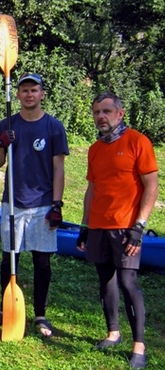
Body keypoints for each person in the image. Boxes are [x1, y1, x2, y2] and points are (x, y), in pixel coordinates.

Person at [77, 92, 158, 369]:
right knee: (106, 282)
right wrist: (85, 226)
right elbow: (92, 188)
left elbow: (151, 185)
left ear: (120, 114)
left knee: (127, 282)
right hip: (99, 225)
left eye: (107, 111)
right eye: (97, 111)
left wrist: (139, 226)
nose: (101, 116)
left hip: (126, 227)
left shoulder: (138, 141)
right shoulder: (94, 149)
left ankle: (139, 346)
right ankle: (113, 333)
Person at [0, 73, 68, 338]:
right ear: (17, 95)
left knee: (42, 262)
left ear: (42, 94)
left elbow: (59, 168)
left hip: (43, 204)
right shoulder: (7, 124)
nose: (29, 94)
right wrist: (2, 143)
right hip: (13, 202)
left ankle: (40, 315)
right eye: (24, 90)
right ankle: (4, 308)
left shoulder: (54, 126)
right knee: (10, 258)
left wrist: (57, 204)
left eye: (34, 90)